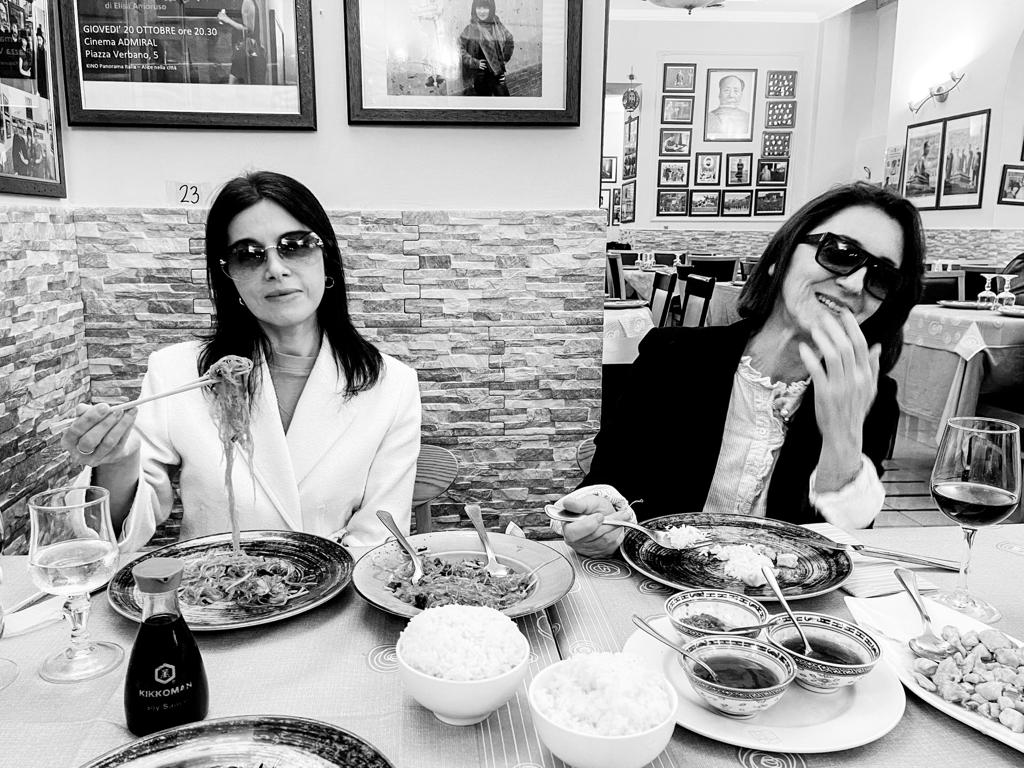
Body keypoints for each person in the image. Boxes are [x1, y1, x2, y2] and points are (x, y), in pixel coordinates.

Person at [61, 172, 422, 552]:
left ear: (326, 258)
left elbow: (379, 538)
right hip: (211, 581)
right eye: (248, 255)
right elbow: (118, 533)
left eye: (296, 245)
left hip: (336, 583)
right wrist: (117, 460)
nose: (275, 269)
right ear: (228, 275)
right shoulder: (176, 372)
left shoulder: (392, 385)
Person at [558, 183, 924, 557]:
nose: (855, 283)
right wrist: (598, 518)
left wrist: (842, 446)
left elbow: (843, 552)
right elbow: (608, 480)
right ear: (780, 257)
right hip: (655, 582)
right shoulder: (672, 357)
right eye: (840, 253)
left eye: (882, 277)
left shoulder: (868, 397)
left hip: (780, 594)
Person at [459, 0, 514, 97]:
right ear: (474, 9)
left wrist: (504, 60)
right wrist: (475, 63)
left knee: (504, 101)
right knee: (484, 104)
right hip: (481, 77)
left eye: (485, 7)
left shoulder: (497, 25)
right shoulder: (470, 29)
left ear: (491, 8)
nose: (482, 11)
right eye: (479, 8)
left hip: (498, 74)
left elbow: (509, 39)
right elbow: (459, 49)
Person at [218, 1, 266, 85]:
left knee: (233, 83)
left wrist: (227, 19)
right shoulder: (245, 3)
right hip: (244, 50)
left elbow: (249, 30)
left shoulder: (247, 2)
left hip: (245, 51)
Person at [706, 75, 750, 139]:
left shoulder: (748, 118)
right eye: (726, 90)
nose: (731, 95)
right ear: (719, 93)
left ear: (741, 94)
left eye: (736, 91)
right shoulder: (709, 117)